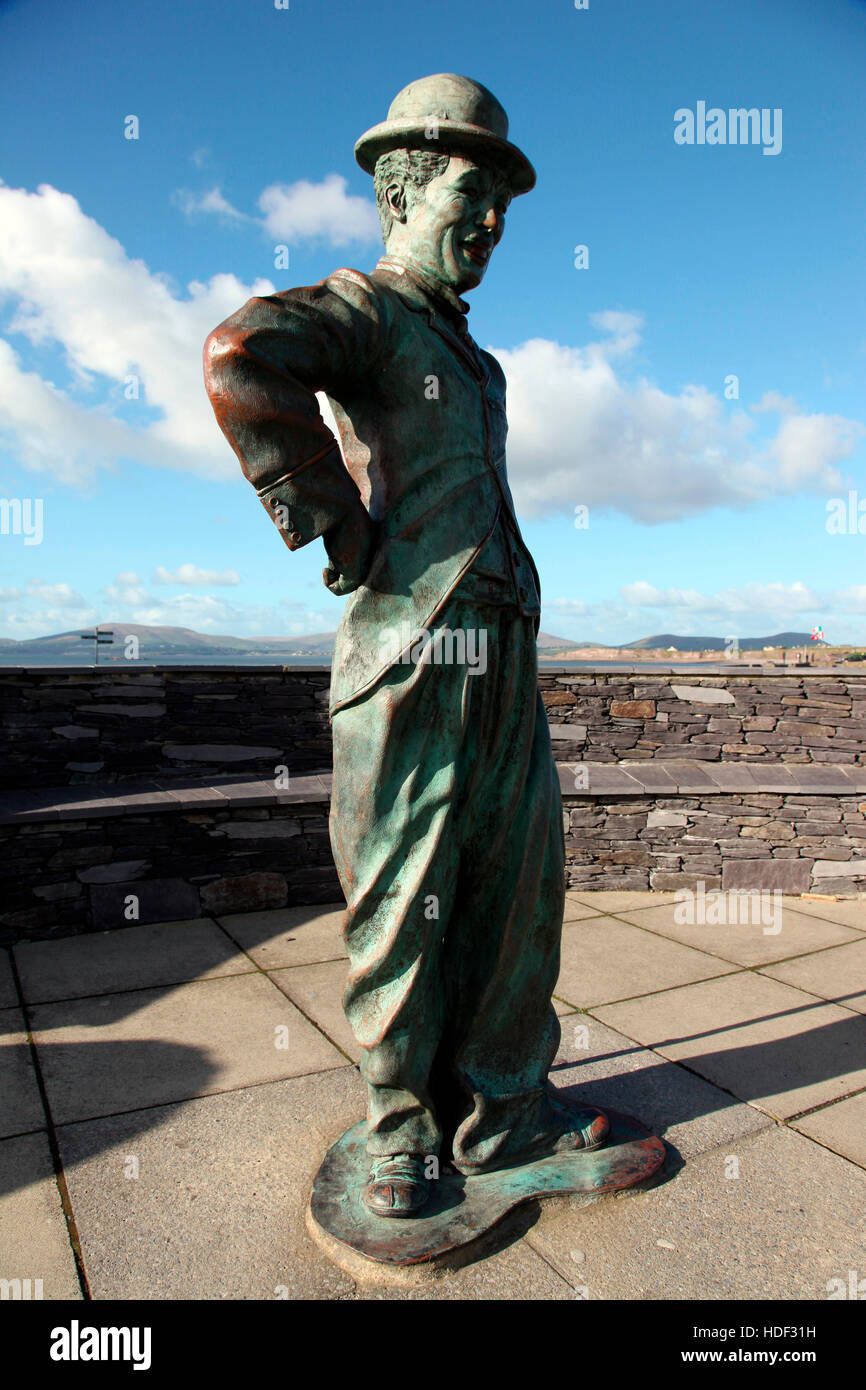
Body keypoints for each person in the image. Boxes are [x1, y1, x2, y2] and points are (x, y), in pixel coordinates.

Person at [204, 74, 609, 1219]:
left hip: (501, 648)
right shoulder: (369, 312)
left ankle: (505, 1108)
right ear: (402, 190)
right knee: (401, 901)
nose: (489, 223)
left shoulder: (478, 365)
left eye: (503, 205)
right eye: (470, 194)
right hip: (413, 654)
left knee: (516, 896)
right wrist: (334, 523)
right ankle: (399, 1133)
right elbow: (240, 355)